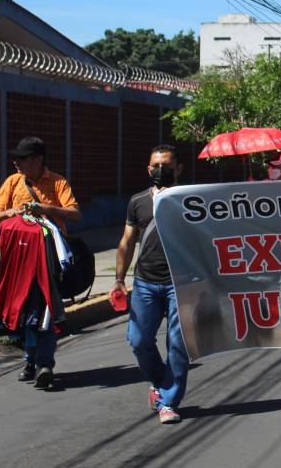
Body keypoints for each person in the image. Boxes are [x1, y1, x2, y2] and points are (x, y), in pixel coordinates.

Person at [0, 136, 81, 388]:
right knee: (22, 311)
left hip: (47, 260)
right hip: (17, 261)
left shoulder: (58, 182)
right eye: (16, 158)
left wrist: (46, 209)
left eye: (22, 158)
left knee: (45, 310)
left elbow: (75, 213)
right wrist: (10, 213)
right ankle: (30, 359)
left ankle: (44, 363)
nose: (16, 162)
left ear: (38, 160)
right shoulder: (12, 182)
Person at [110, 145, 188, 424]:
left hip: (181, 283)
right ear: (148, 168)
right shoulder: (138, 201)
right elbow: (127, 241)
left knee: (178, 345)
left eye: (166, 165)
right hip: (145, 282)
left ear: (178, 169)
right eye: (155, 165)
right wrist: (119, 280)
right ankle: (159, 381)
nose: (160, 170)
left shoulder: (190, 199)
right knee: (138, 339)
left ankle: (168, 402)